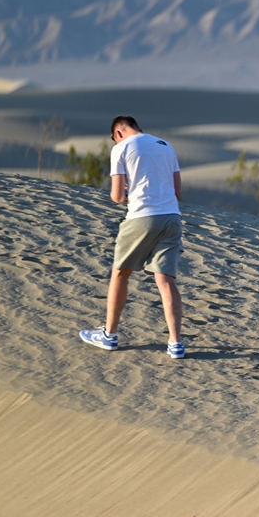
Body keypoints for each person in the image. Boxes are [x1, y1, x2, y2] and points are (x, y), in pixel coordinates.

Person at [80, 115, 186, 359]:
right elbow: (177, 191)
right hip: (172, 217)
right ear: (138, 128)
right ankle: (175, 343)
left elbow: (117, 197)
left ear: (117, 133)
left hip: (142, 216)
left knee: (120, 272)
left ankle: (109, 335)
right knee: (165, 280)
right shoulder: (166, 145)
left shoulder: (121, 148)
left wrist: (131, 194)